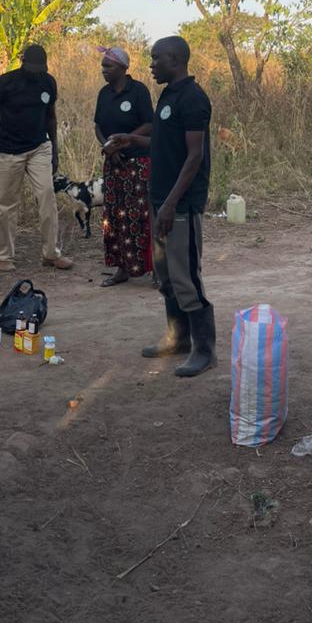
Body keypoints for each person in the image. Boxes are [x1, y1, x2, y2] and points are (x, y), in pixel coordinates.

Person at [104, 36, 215, 377]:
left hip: (179, 203)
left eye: (156, 59)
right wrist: (134, 140)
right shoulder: (168, 95)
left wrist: (169, 205)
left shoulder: (194, 99)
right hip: (161, 199)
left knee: (186, 278)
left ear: (177, 60)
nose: (151, 65)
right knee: (165, 276)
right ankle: (177, 337)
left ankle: (204, 350)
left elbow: (194, 156)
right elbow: (166, 144)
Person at [0, 44, 73, 273]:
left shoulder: (48, 82)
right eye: (32, 67)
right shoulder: (6, 82)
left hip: (39, 147)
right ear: (23, 63)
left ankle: (51, 254)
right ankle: (4, 255)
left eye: (40, 68)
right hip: (9, 150)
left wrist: (55, 150)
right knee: (7, 205)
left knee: (47, 197)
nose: (36, 72)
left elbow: (51, 117)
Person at [93, 46, 154, 287]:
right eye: (103, 66)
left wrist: (123, 143)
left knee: (140, 216)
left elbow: (149, 124)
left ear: (122, 68)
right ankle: (121, 268)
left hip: (137, 162)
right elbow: (97, 125)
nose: (103, 70)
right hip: (113, 163)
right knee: (114, 216)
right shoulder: (103, 94)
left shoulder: (138, 91)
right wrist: (109, 146)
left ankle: (153, 268)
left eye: (108, 66)